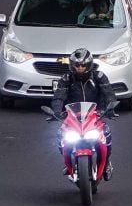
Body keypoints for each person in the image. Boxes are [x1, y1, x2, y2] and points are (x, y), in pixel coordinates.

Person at [49, 48, 117, 177]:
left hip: (96, 114)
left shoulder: (99, 77)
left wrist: (110, 109)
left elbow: (109, 94)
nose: (80, 68)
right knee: (60, 135)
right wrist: (57, 112)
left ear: (89, 65)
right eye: (77, 65)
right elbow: (59, 96)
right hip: (73, 115)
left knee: (106, 133)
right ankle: (67, 160)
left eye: (83, 65)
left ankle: (107, 163)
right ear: (72, 65)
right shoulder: (66, 79)